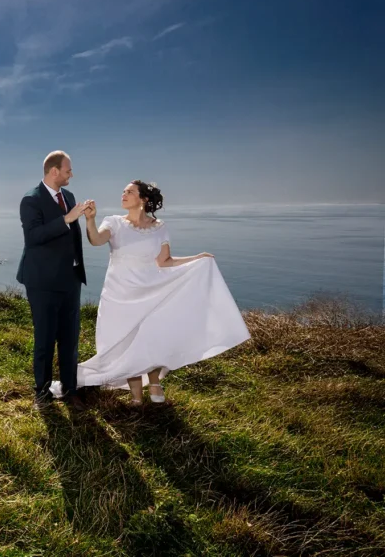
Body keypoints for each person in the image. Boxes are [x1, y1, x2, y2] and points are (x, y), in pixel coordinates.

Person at [78, 181, 251, 405]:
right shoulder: (113, 222)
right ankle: (137, 397)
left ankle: (154, 385)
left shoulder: (159, 227)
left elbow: (165, 261)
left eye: (129, 192)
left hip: (151, 290)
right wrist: (90, 220)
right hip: (118, 294)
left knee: (149, 337)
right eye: (123, 191)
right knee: (123, 341)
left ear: (144, 200)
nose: (123, 194)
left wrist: (197, 259)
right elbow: (96, 240)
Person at [17, 150, 89, 411]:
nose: (72, 174)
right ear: (54, 171)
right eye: (68, 169)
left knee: (70, 338)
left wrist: (83, 218)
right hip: (42, 281)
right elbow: (34, 237)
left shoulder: (68, 196)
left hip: (70, 279)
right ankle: (41, 393)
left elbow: (73, 235)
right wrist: (67, 219)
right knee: (45, 338)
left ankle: (70, 391)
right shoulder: (31, 200)